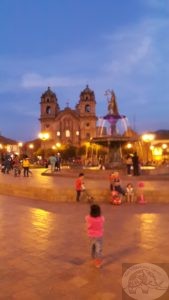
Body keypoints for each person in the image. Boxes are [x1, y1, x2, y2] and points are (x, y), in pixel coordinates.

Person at [85, 204, 105, 268]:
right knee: (98, 249)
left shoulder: (88, 218)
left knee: (92, 247)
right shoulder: (101, 218)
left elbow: (86, 218)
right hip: (99, 236)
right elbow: (103, 220)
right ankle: (97, 263)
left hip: (90, 235)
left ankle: (93, 257)